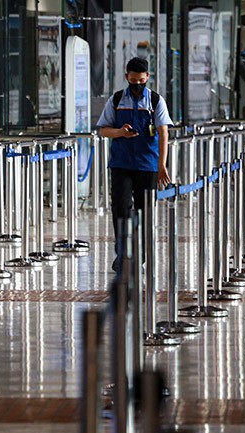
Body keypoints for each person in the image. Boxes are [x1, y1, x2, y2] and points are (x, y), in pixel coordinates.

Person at [96, 57, 173, 273]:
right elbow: (103, 129)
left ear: (147, 77)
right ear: (126, 77)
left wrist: (161, 165)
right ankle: (123, 254)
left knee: (144, 211)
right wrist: (120, 132)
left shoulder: (156, 101)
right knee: (120, 209)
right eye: (133, 80)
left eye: (141, 80)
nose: (137, 84)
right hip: (121, 164)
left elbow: (163, 132)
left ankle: (139, 254)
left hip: (147, 165)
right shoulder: (117, 100)